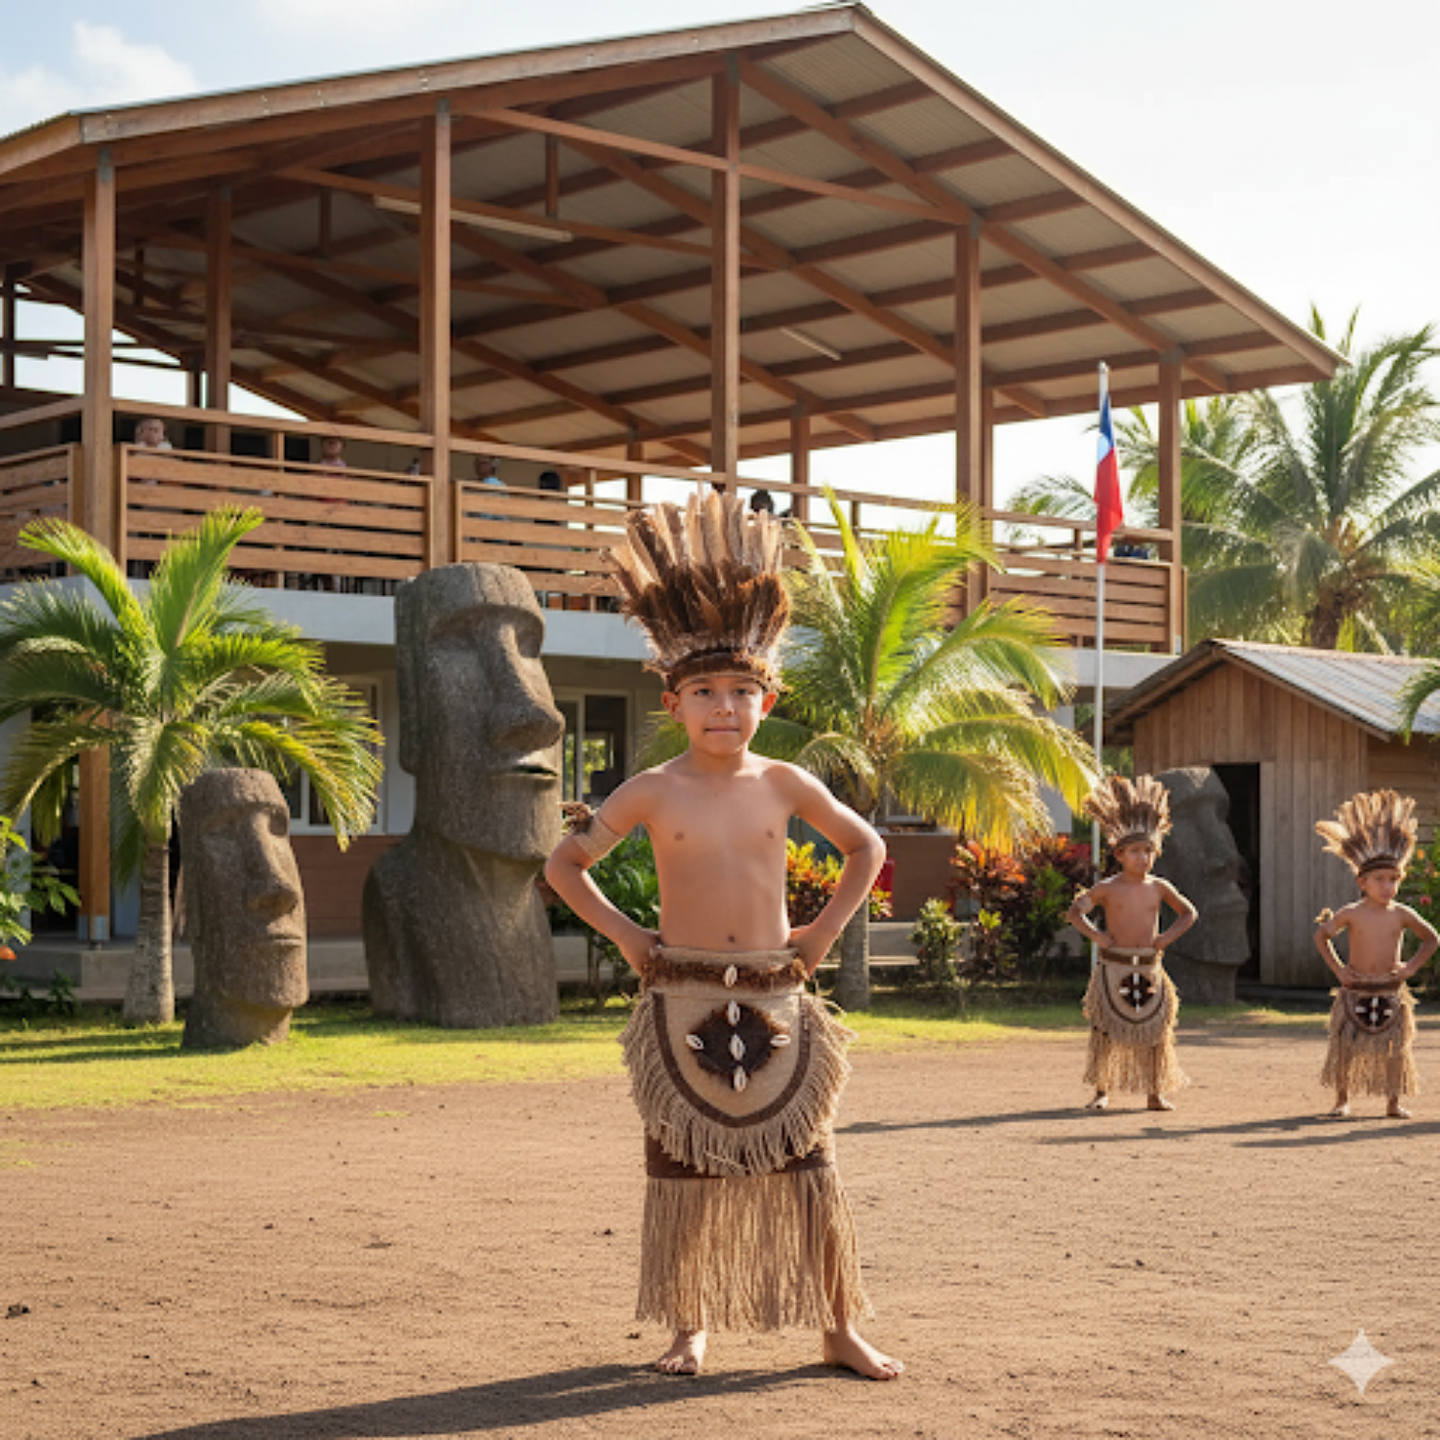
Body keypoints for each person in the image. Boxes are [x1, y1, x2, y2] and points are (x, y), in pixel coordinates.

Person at [545, 490, 901, 1382]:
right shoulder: (650, 790)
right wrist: (630, 937)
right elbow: (563, 867)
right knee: (684, 1174)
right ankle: (688, 1329)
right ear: (673, 700)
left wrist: (820, 932)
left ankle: (838, 1326)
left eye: (741, 692)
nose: (724, 708)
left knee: (811, 1169)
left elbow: (868, 846)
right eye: (704, 692)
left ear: (767, 700)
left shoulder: (784, 783)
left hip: (776, 990)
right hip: (682, 992)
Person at [1067, 775, 1197, 1111]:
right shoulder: (1107, 887)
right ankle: (1101, 1091)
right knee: (1105, 1031)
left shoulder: (1159, 887)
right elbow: (1076, 911)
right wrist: (1095, 935)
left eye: (1148, 851)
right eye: (1136, 852)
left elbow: (1188, 913)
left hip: (1149, 966)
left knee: (1156, 1033)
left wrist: (1166, 938)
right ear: (1119, 854)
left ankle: (1155, 1092)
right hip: (1113, 966)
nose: (1143, 858)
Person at [1314, 790, 1437, 1119]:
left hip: (1390, 990)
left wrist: (1409, 968)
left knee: (1396, 1050)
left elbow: (1432, 939)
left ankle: (1393, 1102)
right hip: (1355, 989)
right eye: (1380, 880)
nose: (1388, 886)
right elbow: (1322, 936)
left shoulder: (1402, 913)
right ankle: (1342, 1099)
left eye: (1394, 880)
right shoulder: (1350, 913)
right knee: (1344, 1048)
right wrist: (1339, 971)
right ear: (1362, 881)